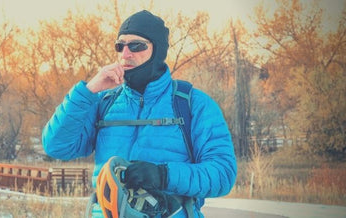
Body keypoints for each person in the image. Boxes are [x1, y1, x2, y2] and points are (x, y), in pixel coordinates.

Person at [42, 10, 237, 217]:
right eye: (120, 46)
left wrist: (163, 175)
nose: (125, 54)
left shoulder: (192, 104)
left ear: (158, 51)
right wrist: (87, 91)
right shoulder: (105, 103)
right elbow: (56, 146)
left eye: (136, 45)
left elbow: (223, 174)